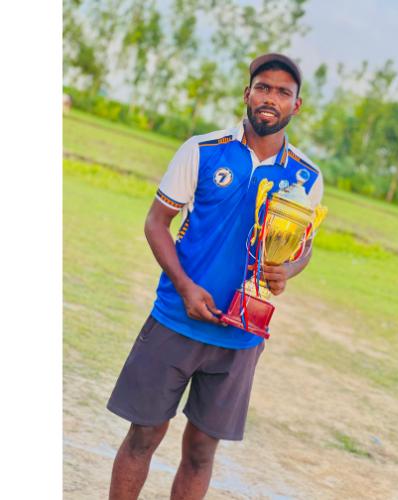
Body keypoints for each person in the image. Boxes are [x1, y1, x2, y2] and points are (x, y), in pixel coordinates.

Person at [107, 53, 324, 499]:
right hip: (176, 318)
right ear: (247, 94)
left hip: (241, 334)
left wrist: (287, 269)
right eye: (263, 87)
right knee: (143, 436)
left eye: (283, 92)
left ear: (296, 105)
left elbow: (303, 247)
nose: (271, 98)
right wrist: (185, 286)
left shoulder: (307, 176)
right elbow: (156, 223)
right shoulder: (202, 150)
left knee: (202, 452)